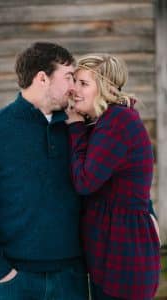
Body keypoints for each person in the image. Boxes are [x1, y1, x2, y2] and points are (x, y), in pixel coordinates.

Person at [0, 42, 89, 300]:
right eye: (68, 77)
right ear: (42, 78)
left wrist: (146, 209)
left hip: (71, 278)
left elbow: (117, 174)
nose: (73, 87)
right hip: (14, 281)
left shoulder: (78, 129)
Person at [66, 54, 160, 300]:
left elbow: (85, 181)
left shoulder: (119, 120)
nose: (74, 89)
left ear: (105, 88)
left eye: (83, 83)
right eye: (74, 81)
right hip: (111, 251)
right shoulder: (102, 122)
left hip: (125, 255)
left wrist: (74, 126)